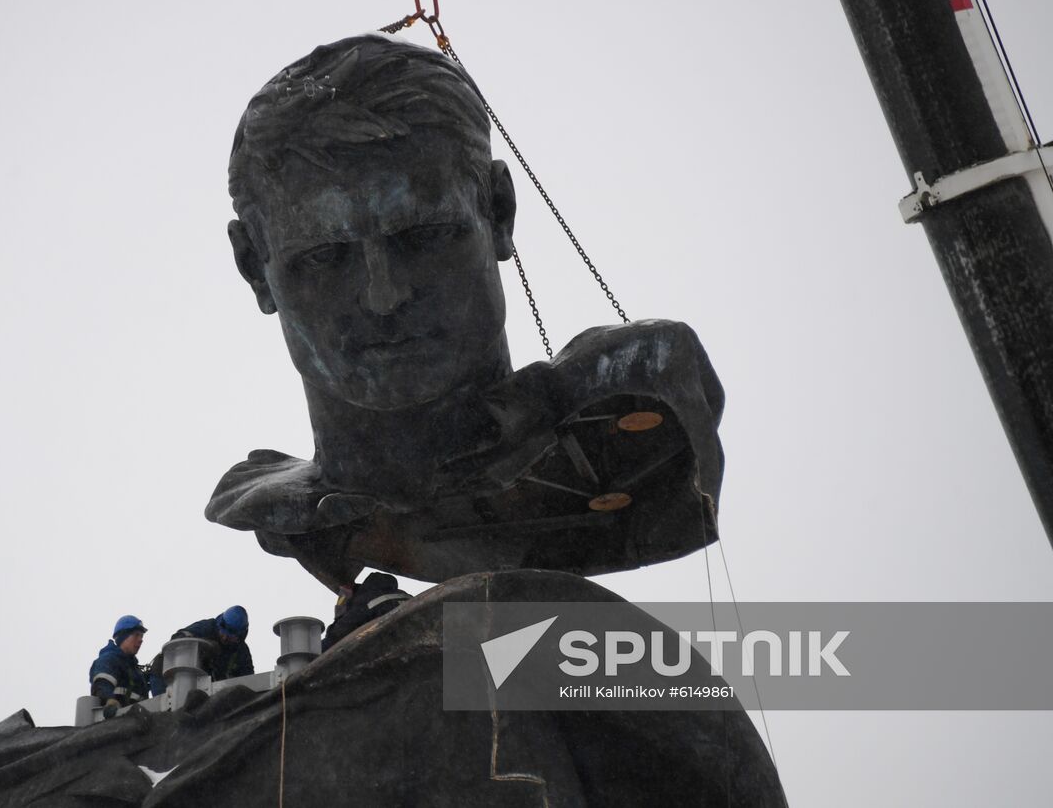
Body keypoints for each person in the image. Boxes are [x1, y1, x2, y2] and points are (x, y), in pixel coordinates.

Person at [210, 34, 728, 590]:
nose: (385, 296)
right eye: (324, 257)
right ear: (253, 268)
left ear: (499, 212)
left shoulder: (632, 408)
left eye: (425, 235)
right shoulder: (278, 510)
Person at [321, 572, 411, 651]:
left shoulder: (365, 599)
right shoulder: (404, 595)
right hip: (408, 640)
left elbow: (339, 633)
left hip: (388, 646)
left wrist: (314, 650)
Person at [88, 614, 152, 717]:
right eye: (136, 635)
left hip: (135, 725)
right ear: (123, 636)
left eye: (141, 636)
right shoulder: (110, 660)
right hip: (113, 724)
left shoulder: (136, 671)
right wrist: (110, 701)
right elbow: (102, 685)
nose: (140, 640)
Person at [173, 605, 254, 680]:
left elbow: (248, 681)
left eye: (230, 636)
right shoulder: (206, 628)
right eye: (223, 632)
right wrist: (203, 645)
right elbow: (178, 639)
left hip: (220, 691)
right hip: (192, 680)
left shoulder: (242, 653)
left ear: (239, 636)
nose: (225, 638)